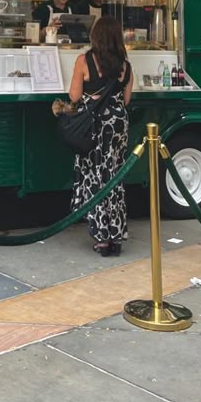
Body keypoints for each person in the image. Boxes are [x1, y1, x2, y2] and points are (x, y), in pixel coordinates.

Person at [68, 16, 133, 257]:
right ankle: (116, 235)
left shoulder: (84, 60)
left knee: (95, 178)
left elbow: (74, 96)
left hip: (94, 126)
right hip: (117, 125)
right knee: (114, 178)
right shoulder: (125, 66)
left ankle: (101, 238)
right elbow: (126, 100)